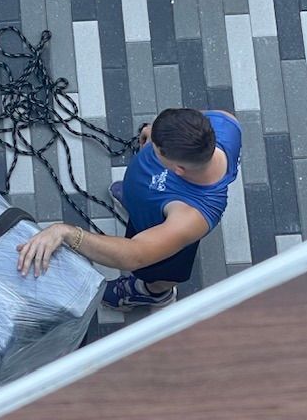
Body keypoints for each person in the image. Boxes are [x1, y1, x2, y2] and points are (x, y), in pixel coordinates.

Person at [16, 107, 242, 310]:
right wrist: (154, 130)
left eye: (157, 150)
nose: (150, 142)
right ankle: (136, 201)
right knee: (143, 196)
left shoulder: (190, 216)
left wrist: (66, 233)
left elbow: (134, 255)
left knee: (155, 274)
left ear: (178, 169)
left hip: (159, 235)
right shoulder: (224, 123)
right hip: (148, 202)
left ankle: (151, 295)